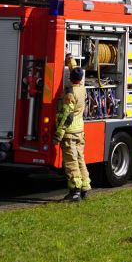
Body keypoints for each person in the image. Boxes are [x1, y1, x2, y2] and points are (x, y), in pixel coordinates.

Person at [54, 63, 91, 202]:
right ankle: (85, 186)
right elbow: (76, 71)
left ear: (70, 78)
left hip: (69, 132)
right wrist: (71, 60)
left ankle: (75, 190)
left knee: (71, 162)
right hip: (80, 131)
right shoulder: (82, 88)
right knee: (81, 159)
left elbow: (66, 116)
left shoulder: (69, 94)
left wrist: (58, 134)